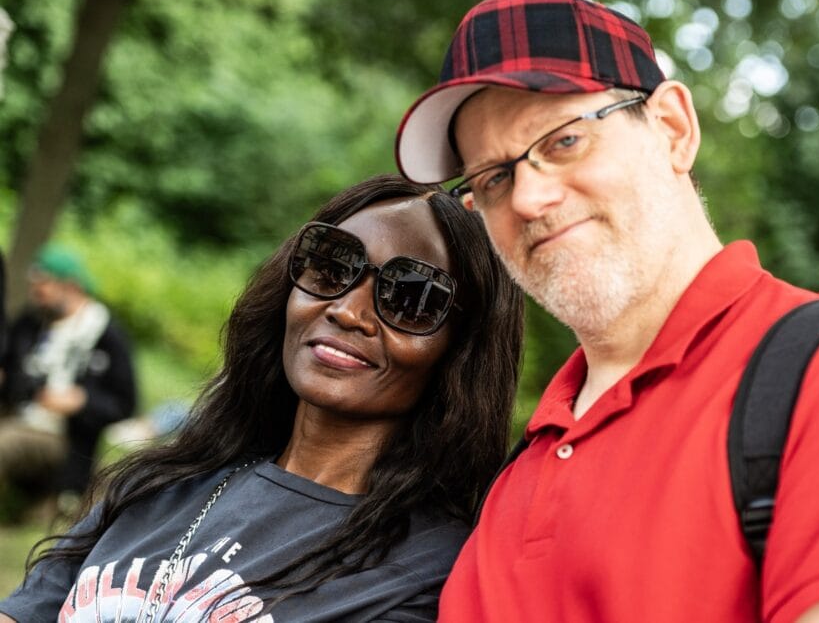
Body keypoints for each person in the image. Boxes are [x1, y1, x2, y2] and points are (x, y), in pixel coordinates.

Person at [394, 0, 819, 622]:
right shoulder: (508, 482)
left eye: (563, 141)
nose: (528, 198)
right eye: (494, 178)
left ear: (672, 128)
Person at [0, 175, 524, 621]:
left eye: (411, 298)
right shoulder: (158, 482)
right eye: (331, 267)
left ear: (463, 348)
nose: (346, 310)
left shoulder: (429, 572)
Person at [0, 245, 137, 514]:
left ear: (70, 286)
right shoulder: (31, 322)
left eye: (43, 289)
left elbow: (125, 403)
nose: (36, 297)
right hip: (17, 413)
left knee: (4, 443)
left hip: (61, 436)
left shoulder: (106, 335)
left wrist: (82, 402)